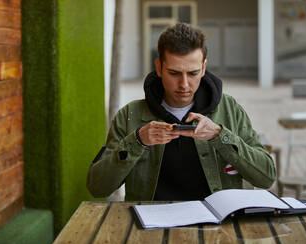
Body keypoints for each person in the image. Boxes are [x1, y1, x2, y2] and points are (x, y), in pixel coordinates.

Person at [87, 23, 276, 201]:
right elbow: (98, 187)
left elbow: (266, 177)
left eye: (193, 73)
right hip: (150, 227)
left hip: (217, 226)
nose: (184, 84)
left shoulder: (229, 109)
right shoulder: (130, 115)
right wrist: (137, 141)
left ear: (203, 68)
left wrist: (220, 135)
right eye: (174, 73)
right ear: (159, 68)